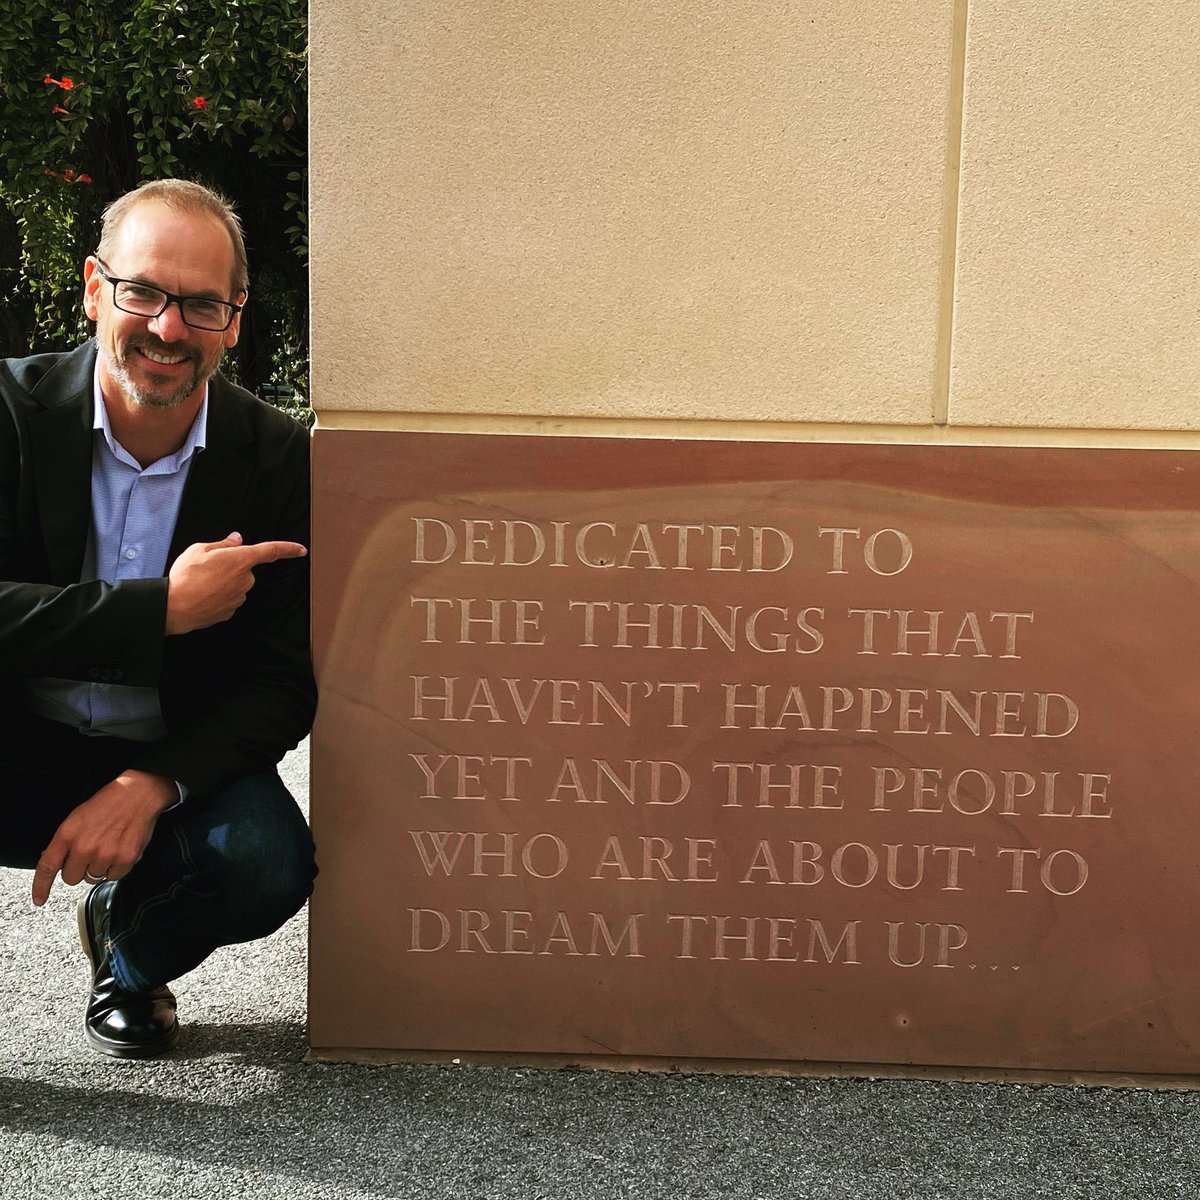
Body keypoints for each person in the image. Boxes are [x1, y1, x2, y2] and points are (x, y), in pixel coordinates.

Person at [0, 178, 317, 1058]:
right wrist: (157, 615)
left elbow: (285, 682)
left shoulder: (278, 458)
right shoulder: (8, 415)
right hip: (15, 737)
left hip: (169, 752)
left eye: (202, 304)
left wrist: (152, 786)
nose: (170, 328)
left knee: (267, 861)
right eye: (144, 292)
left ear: (236, 319)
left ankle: (128, 955)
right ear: (96, 289)